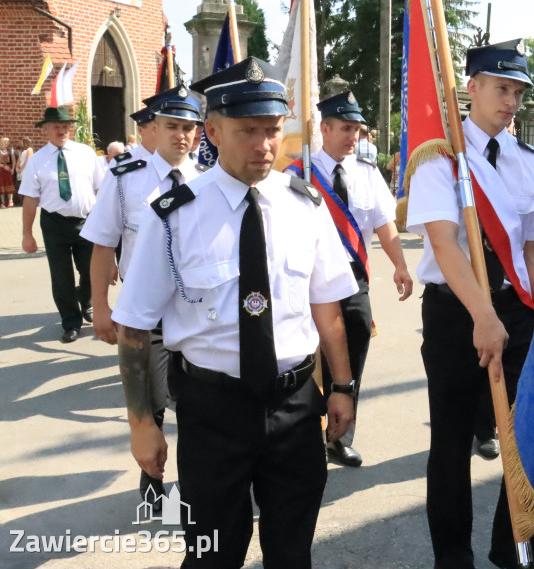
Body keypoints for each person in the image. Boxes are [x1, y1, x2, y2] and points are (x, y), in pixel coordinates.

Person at [111, 57, 359, 568]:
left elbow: (327, 307)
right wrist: (141, 422)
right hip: (212, 411)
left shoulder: (305, 206)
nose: (263, 145)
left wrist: (341, 387)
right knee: (212, 555)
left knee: (292, 553)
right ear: (213, 132)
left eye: (271, 130)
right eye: (247, 130)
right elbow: (134, 327)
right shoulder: (174, 215)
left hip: (294, 406)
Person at [406, 38, 534, 569]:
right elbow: (445, 244)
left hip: (516, 309)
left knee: (528, 438)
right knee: (450, 443)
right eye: (501, 88)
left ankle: (514, 547)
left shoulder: (531, 162)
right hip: (455, 313)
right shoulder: (440, 159)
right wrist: (483, 318)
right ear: (472, 88)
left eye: (518, 91)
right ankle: (454, 557)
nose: (511, 100)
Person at [82, 87, 203, 514]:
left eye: (190, 128)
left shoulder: (210, 179)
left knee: (198, 405)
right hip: (145, 318)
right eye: (173, 126)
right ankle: (152, 479)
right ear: (153, 128)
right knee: (150, 404)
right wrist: (100, 305)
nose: (183, 136)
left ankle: (198, 485)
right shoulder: (125, 178)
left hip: (195, 316)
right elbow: (101, 244)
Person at [285, 89, 413, 467]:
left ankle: (340, 435)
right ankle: (304, 433)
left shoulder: (367, 174)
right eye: (344, 128)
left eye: (356, 129)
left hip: (352, 279)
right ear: (323, 128)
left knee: (353, 348)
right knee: (307, 355)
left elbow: (383, 223)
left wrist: (400, 264)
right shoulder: (298, 174)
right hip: (307, 281)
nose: (352, 136)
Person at [20, 106, 104, 343]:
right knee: (61, 276)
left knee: (91, 270)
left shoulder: (86, 153)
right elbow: (29, 198)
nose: (62, 130)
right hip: (54, 223)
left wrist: (107, 221)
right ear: (45, 129)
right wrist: (27, 234)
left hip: (87, 220)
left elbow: (101, 188)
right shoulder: (36, 161)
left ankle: (86, 301)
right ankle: (71, 322)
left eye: (66, 126)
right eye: (56, 126)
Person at [0, 136, 16, 207]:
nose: (7, 143)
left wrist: (13, 168)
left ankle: (10, 200)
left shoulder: (10, 150)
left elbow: (13, 160)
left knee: (10, 184)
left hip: (9, 169)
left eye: (8, 142)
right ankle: (2, 202)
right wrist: (3, 166)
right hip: (1, 169)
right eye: (6, 142)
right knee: (1, 185)